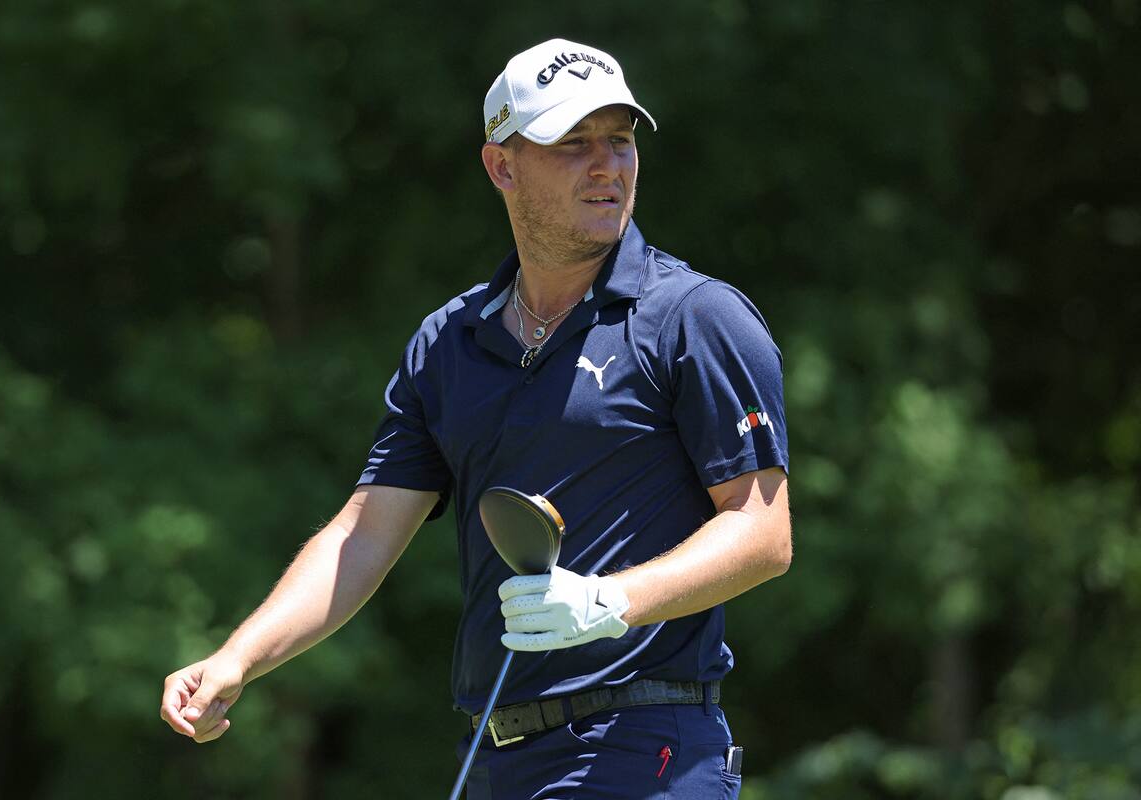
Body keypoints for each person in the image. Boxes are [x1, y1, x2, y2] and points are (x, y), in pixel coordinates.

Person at [160, 38, 791, 799]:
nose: (607, 165)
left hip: (646, 748)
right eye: (572, 143)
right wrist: (240, 657)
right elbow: (364, 532)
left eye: (620, 140)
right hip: (494, 756)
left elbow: (763, 533)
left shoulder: (694, 316)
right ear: (501, 166)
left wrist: (606, 603)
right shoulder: (449, 341)